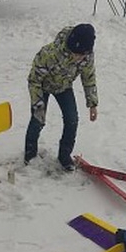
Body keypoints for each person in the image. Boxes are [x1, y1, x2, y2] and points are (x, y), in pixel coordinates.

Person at [24, 24, 98, 171]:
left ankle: (64, 155)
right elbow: (34, 80)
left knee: (72, 119)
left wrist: (92, 103)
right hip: (42, 86)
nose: (79, 58)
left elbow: (88, 77)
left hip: (64, 87)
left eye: (82, 55)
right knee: (38, 120)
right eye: (76, 54)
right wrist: (38, 104)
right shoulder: (50, 53)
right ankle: (30, 154)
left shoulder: (87, 55)